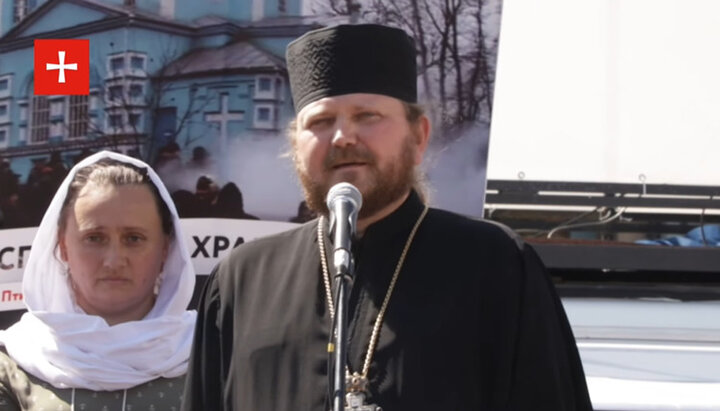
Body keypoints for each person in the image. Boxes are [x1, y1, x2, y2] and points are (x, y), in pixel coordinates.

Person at [183, 24, 593, 410]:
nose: (343, 137)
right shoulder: (242, 278)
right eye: (321, 121)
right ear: (296, 146)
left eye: (367, 116)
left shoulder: (497, 264)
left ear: (419, 137)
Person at [0, 151, 197, 409]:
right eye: (94, 238)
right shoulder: (15, 363)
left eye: (134, 238)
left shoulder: (213, 357)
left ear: (165, 250)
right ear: (63, 247)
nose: (114, 261)